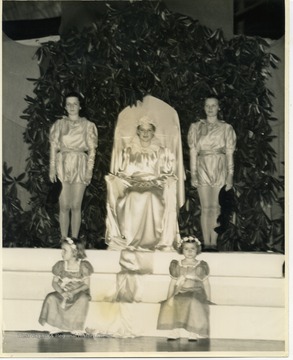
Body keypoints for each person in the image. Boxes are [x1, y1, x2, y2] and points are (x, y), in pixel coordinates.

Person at [105, 107, 185, 251]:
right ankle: (130, 239)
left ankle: (151, 241)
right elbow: (124, 174)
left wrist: (153, 182)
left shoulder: (161, 151)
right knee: (132, 196)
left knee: (150, 196)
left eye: (148, 130)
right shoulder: (129, 151)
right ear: (138, 131)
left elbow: (167, 174)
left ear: (153, 131)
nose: (145, 133)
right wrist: (119, 180)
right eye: (142, 130)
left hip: (155, 186)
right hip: (133, 185)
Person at [187, 96, 236, 250]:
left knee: (216, 207)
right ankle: (205, 242)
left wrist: (230, 175)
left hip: (219, 166)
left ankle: (213, 243)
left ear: (218, 108)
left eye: (213, 105)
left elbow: (229, 153)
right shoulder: (195, 127)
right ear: (204, 107)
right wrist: (193, 174)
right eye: (207, 105)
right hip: (202, 167)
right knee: (205, 207)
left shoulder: (226, 128)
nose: (210, 108)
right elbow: (193, 152)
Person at [49, 92, 98, 239]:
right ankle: (64, 241)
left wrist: (89, 171)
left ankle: (74, 241)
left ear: (80, 106)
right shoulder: (59, 125)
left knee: (76, 205)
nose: (72, 107)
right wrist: (52, 168)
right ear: (65, 106)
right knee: (64, 206)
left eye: (75, 103)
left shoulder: (88, 126)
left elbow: (92, 150)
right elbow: (53, 147)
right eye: (68, 104)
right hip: (62, 164)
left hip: (80, 164)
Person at [157, 236, 211, 341]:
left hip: (196, 292)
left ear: (197, 250)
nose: (189, 252)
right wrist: (169, 297)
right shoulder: (177, 265)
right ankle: (175, 329)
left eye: (192, 249)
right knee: (175, 301)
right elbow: (172, 284)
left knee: (192, 301)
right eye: (186, 249)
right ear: (182, 250)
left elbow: (206, 283)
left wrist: (208, 299)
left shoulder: (201, 265)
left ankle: (193, 331)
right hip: (181, 291)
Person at [39, 237, 94, 335]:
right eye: (62, 250)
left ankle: (76, 327)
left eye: (65, 250)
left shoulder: (83, 266)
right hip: (64, 291)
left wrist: (73, 292)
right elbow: (54, 283)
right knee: (51, 297)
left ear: (74, 252)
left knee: (83, 299)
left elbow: (86, 285)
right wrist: (62, 292)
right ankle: (55, 325)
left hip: (78, 292)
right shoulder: (60, 265)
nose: (62, 253)